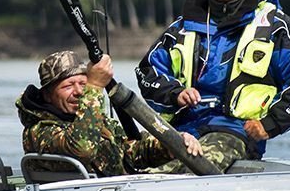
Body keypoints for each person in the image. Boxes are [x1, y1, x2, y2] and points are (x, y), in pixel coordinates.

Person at [136, 0, 290, 169]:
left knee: (188, 169)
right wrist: (175, 93)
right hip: (180, 131)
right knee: (119, 156)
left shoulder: (276, 26)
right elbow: (148, 71)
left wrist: (271, 123)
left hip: (234, 133)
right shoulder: (182, 27)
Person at [16, 50, 201, 177]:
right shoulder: (38, 131)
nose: (79, 92)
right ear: (47, 96)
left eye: (83, 83)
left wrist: (171, 143)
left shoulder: (94, 121)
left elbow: (131, 152)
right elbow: (82, 149)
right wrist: (95, 86)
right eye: (68, 85)